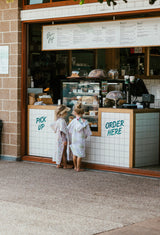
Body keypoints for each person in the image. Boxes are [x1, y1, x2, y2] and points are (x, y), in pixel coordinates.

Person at [68, 103, 92, 172]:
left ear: (75, 113)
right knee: (80, 154)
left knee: (74, 153)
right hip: (81, 139)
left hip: (74, 139)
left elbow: (69, 130)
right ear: (83, 113)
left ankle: (75, 167)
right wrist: (86, 136)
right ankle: (78, 168)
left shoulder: (73, 121)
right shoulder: (85, 122)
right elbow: (87, 132)